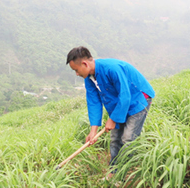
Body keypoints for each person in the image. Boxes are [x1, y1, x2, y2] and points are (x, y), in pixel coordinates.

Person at [66, 46, 155, 180]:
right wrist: (93, 131)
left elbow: (125, 96)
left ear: (84, 64)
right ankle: (114, 173)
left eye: (76, 70)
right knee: (115, 139)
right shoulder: (89, 79)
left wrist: (113, 119)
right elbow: (94, 103)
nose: (76, 74)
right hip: (118, 103)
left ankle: (127, 174)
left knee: (128, 139)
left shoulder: (111, 69)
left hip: (138, 98)